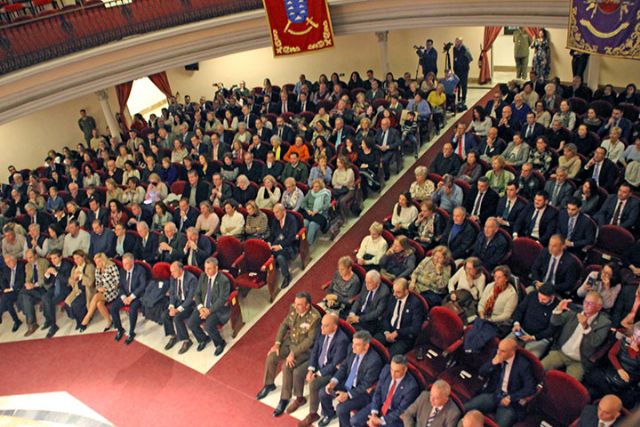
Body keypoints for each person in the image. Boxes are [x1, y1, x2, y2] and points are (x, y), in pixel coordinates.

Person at [256, 292, 321, 416]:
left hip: (304, 349)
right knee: (271, 357)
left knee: (287, 365)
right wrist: (277, 343)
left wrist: (293, 353)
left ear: (307, 306)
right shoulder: (293, 308)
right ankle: (269, 384)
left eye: (299, 305)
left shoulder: (315, 318)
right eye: (295, 303)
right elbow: (284, 324)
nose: (296, 307)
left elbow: (310, 341)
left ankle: (284, 398)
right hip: (289, 342)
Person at [291, 313, 350, 425]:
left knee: (314, 383)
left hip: (329, 370)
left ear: (334, 327)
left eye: (325, 325)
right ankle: (299, 398)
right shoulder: (322, 331)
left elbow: (334, 364)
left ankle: (313, 413)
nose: (322, 328)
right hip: (318, 363)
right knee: (298, 372)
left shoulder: (342, 340)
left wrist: (317, 374)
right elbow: (315, 351)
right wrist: (310, 369)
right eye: (322, 325)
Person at [463, 338, 536, 427]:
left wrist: (511, 397)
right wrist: (492, 363)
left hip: (510, 403)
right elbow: (482, 372)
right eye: (498, 349)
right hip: (493, 394)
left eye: (503, 351)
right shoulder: (496, 354)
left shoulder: (523, 364)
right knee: (465, 408)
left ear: (512, 353)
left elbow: (530, 388)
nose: (498, 352)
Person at [318, 330, 384, 427]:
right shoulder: (351, 349)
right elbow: (344, 367)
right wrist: (333, 382)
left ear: (366, 346)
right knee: (323, 392)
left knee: (341, 408)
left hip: (362, 393)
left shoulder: (374, 361)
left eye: (357, 345)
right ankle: (329, 414)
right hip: (348, 383)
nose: (353, 346)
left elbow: (365, 385)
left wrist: (348, 395)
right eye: (353, 343)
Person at [541, 291, 612, 381]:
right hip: (561, 352)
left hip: (579, 361)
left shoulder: (604, 323)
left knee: (571, 387)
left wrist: (586, 326)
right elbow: (555, 322)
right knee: (539, 368)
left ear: (599, 307)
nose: (586, 305)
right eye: (585, 302)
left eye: (590, 303)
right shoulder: (575, 311)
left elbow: (595, 342)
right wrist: (558, 309)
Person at [351, 354, 420, 427]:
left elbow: (401, 411)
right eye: (392, 369)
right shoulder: (386, 370)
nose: (393, 374)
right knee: (355, 421)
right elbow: (378, 392)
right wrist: (374, 413)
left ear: (405, 369)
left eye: (397, 371)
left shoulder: (411, 387)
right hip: (380, 405)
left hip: (394, 416)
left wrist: (380, 420)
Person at [583, 324, 640, 406]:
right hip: (614, 371)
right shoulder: (625, 340)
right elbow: (611, 354)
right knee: (591, 388)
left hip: (628, 379)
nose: (636, 339)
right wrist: (620, 369)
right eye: (635, 335)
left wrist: (637, 352)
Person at [188, 257, 231, 356]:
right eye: (205, 268)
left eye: (209, 268)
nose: (206, 271)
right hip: (203, 307)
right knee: (191, 323)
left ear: (216, 268)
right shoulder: (203, 276)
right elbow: (197, 293)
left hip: (217, 309)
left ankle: (220, 343)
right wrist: (200, 307)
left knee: (208, 326)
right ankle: (203, 339)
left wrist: (209, 311)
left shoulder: (223, 280)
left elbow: (222, 300)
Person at [374, 278, 425, 356]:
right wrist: (387, 332)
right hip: (388, 331)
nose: (394, 294)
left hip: (403, 337)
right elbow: (385, 317)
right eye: (393, 291)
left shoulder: (416, 304)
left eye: (398, 292)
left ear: (406, 291)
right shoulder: (392, 298)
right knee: (372, 345)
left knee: (389, 356)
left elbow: (415, 328)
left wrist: (398, 333)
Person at [508, 283, 558, 357]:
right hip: (522, 330)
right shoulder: (532, 295)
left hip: (539, 338)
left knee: (528, 359)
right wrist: (516, 323)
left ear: (552, 297)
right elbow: (520, 310)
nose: (540, 300)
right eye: (539, 297)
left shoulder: (557, 308)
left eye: (544, 299)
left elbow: (551, 330)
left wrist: (533, 337)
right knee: (505, 346)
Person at [110, 253, 146, 345]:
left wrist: (131, 297)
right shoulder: (122, 270)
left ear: (132, 262)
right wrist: (123, 297)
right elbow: (120, 286)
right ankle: (119, 329)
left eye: (126, 264)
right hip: (125, 295)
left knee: (132, 310)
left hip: (137, 296)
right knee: (113, 307)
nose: (124, 266)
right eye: (123, 263)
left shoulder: (140, 270)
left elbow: (142, 286)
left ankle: (131, 332)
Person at [78, 252, 119, 332]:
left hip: (113, 291)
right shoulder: (97, 269)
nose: (97, 263)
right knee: (99, 303)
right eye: (96, 262)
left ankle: (86, 318)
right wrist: (99, 288)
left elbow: (117, 283)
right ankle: (109, 321)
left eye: (99, 261)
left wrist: (106, 289)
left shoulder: (111, 266)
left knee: (96, 296)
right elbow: (97, 283)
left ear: (104, 260)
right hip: (102, 292)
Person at [63, 250, 96, 331]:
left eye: (78, 258)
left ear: (83, 257)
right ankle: (78, 318)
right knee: (67, 303)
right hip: (77, 290)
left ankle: (82, 321)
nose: (76, 260)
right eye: (74, 259)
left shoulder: (89, 266)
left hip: (87, 290)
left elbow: (90, 282)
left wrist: (81, 275)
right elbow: (71, 283)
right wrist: (73, 280)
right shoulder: (74, 268)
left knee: (75, 304)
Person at [269, 204, 298, 289]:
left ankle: (287, 276)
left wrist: (280, 246)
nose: (275, 215)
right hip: (277, 243)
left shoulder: (291, 219)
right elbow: (272, 234)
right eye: (274, 213)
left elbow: (291, 237)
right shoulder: (275, 220)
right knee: (267, 252)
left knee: (280, 257)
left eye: (277, 212)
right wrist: (269, 242)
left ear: (283, 211)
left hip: (290, 246)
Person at [301, 178, 332, 245]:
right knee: (305, 223)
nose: (314, 188)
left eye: (317, 186)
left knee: (312, 224)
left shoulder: (326, 193)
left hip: (320, 214)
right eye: (314, 186)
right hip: (309, 213)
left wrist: (317, 210)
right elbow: (303, 203)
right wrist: (307, 210)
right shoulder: (310, 192)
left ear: (320, 187)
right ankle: (302, 242)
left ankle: (308, 244)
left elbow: (326, 205)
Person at [452, 37, 472, 105]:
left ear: (461, 42)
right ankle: (458, 97)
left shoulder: (465, 49)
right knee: (457, 84)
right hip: (457, 69)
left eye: (457, 42)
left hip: (464, 70)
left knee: (464, 84)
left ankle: (463, 98)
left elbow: (470, 58)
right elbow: (454, 58)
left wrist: (463, 63)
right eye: (455, 41)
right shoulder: (454, 49)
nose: (455, 43)